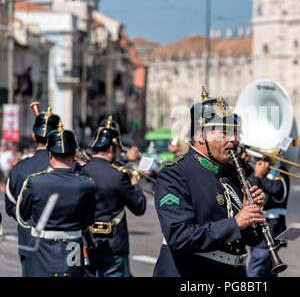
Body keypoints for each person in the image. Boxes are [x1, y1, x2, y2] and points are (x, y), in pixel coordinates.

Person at [153, 88, 265, 277]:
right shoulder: (175, 173)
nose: (233, 139)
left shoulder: (233, 171)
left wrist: (250, 215)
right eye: (224, 132)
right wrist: (236, 223)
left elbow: (251, 240)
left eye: (235, 132)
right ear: (200, 136)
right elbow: (179, 235)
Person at [17, 123, 96, 277]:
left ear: (50, 154)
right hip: (72, 252)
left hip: (41, 250)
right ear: (74, 154)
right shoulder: (88, 184)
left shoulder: (34, 182)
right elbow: (88, 222)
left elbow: (23, 216)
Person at [81, 119, 147, 277]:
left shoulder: (81, 171)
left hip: (87, 240)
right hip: (113, 244)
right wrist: (135, 184)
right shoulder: (118, 176)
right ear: (112, 148)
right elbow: (139, 207)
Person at [4, 104, 60, 276]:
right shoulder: (69, 167)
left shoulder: (19, 168)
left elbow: (11, 209)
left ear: (34, 136)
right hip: (62, 242)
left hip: (29, 240)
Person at [245, 155, 291, 277]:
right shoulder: (254, 172)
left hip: (274, 227)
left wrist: (259, 176)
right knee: (261, 267)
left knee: (265, 267)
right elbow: (251, 197)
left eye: (265, 160)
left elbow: (276, 189)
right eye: (259, 160)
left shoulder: (280, 171)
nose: (262, 163)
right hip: (258, 228)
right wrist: (256, 175)